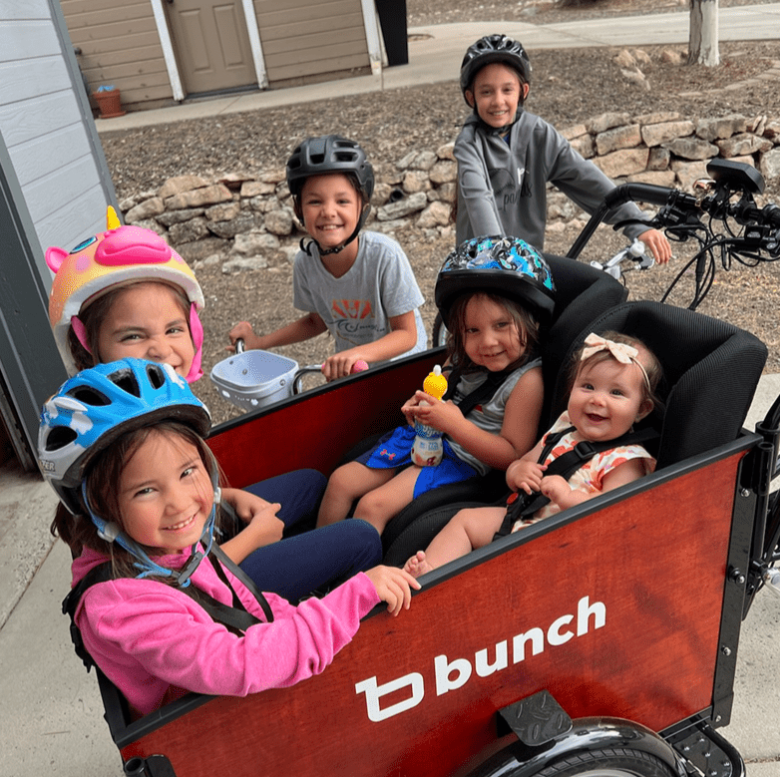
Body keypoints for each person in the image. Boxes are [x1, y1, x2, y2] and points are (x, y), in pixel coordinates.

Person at [41, 359, 419, 719]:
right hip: (211, 722)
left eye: (188, 472)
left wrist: (313, 616)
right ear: (99, 507)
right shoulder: (122, 604)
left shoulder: (154, 546)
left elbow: (238, 598)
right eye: (145, 491)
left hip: (224, 672)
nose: (179, 504)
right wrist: (349, 599)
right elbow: (240, 664)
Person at [46, 216, 381, 600]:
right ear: (87, 345)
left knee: (312, 483)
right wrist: (253, 539)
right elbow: (170, 581)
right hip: (197, 591)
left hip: (198, 539)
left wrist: (229, 498)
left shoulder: (148, 409)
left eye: (173, 329)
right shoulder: (113, 438)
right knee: (361, 539)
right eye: (133, 336)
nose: (160, 349)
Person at [317, 236, 555, 535]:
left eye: (502, 325)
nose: (487, 342)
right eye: (473, 330)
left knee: (371, 506)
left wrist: (454, 425)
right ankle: (317, 563)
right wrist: (420, 406)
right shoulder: (461, 358)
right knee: (340, 481)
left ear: (532, 320)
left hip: (463, 459)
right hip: (429, 438)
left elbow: (512, 454)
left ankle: (355, 579)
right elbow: (437, 391)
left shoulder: (527, 381)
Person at [404, 331, 661, 576]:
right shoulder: (564, 425)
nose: (597, 400)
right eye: (588, 386)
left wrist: (569, 496)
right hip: (524, 516)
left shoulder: (627, 460)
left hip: (562, 542)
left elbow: (616, 519)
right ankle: (431, 574)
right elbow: (523, 462)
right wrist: (518, 472)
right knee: (465, 521)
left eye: (616, 393)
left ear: (642, 409)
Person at [454, 34, 672, 265]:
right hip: (481, 265)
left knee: (599, 289)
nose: (498, 101)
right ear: (471, 97)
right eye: (486, 92)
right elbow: (479, 200)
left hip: (526, 265)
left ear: (523, 91)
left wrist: (637, 224)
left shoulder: (538, 134)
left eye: (507, 90)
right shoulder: (469, 145)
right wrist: (498, 257)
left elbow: (586, 178)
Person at [228, 135, 427, 380]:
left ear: (362, 207)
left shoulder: (385, 256)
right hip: (352, 371)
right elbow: (316, 321)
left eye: (342, 200)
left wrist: (356, 354)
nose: (328, 212)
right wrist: (260, 342)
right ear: (298, 209)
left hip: (402, 368)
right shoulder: (305, 262)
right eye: (314, 201)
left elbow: (407, 335)